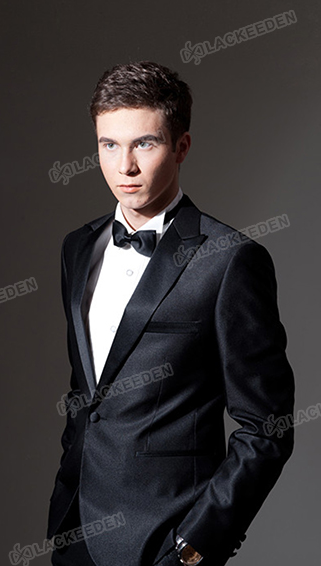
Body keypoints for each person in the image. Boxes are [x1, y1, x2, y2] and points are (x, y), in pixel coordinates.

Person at [46, 61, 295, 566]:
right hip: (75, 533)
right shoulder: (78, 248)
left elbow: (267, 426)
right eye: (108, 145)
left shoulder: (227, 260)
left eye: (145, 144)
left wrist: (196, 545)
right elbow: (87, 393)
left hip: (165, 542)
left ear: (181, 146)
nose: (124, 166)